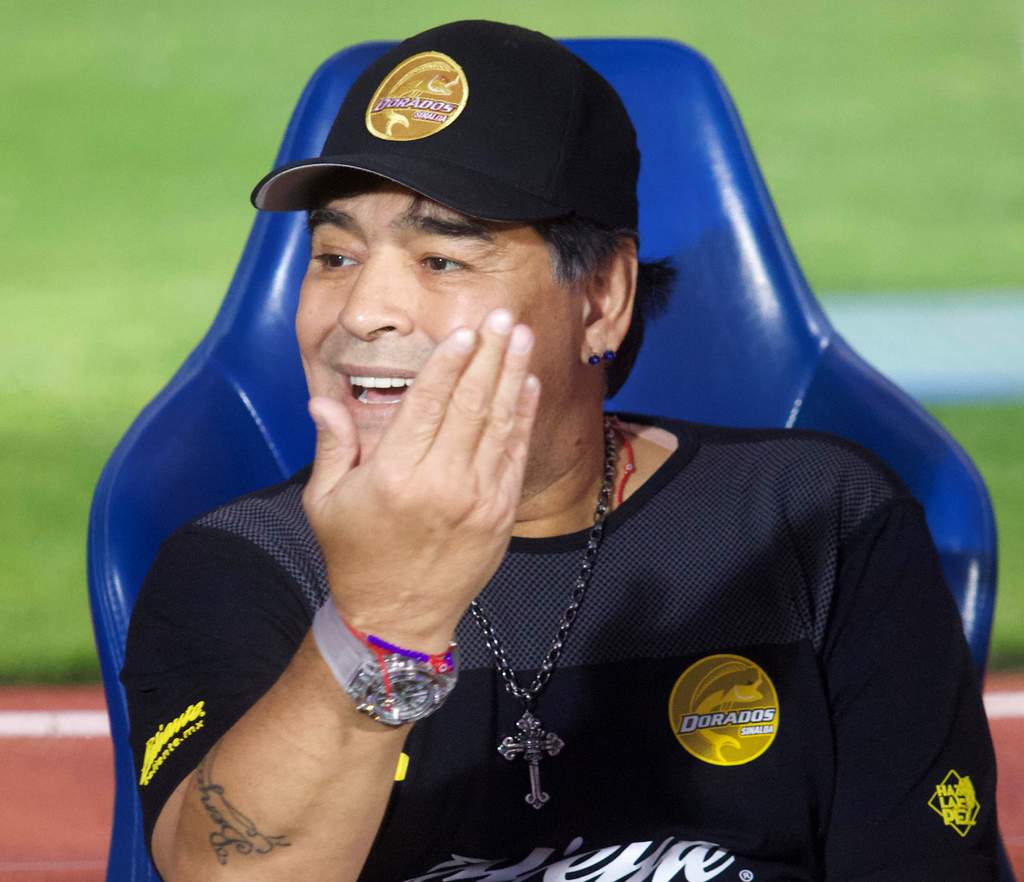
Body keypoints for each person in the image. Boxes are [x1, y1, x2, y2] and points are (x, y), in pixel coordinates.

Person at [120, 19, 999, 882]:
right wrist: (380, 627)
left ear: (602, 297)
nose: (362, 313)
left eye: (442, 260)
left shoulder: (819, 523)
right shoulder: (240, 564)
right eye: (335, 256)